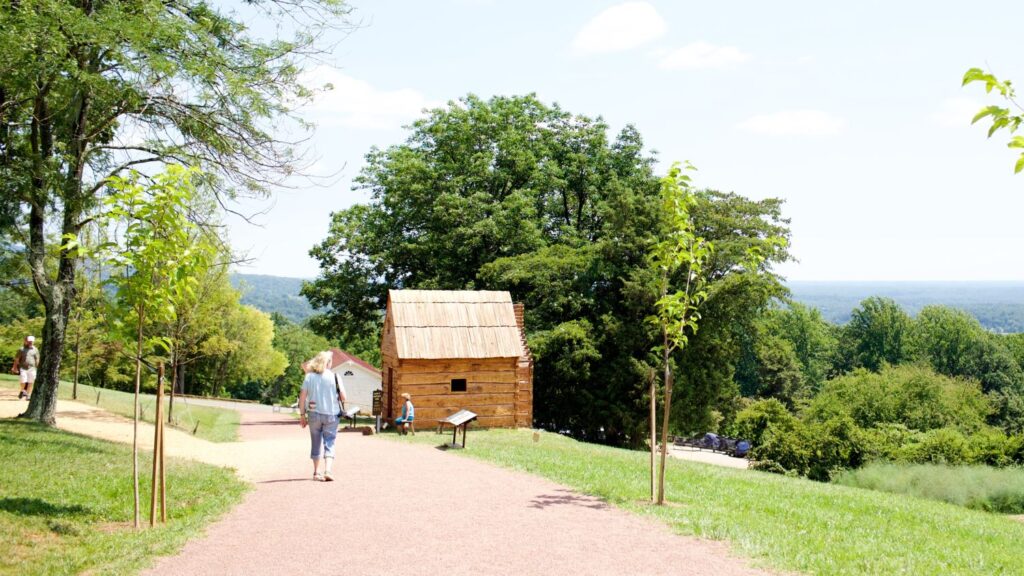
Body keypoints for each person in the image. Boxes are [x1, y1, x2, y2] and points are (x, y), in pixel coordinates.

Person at [298, 350, 346, 482]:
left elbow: (302, 397)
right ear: (328, 363)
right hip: (331, 414)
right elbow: (343, 397)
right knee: (329, 441)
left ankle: (316, 472)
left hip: (313, 414)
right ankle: (328, 470)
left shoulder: (309, 377)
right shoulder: (336, 377)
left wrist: (302, 415)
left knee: (316, 442)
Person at [11, 336, 39, 401]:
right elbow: (17, 359)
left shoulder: (35, 349)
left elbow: (37, 359)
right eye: (29, 341)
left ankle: (28, 395)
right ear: (25, 341)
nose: (30, 342)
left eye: (31, 341)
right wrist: (14, 367)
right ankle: (22, 391)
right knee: (23, 381)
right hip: (23, 368)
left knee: (31, 382)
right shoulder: (21, 349)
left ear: (33, 341)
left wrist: (38, 367)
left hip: (32, 368)